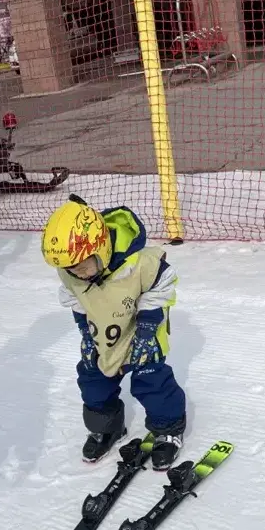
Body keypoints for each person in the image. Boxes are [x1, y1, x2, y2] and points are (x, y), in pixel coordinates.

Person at [41, 195, 187, 471]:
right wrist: (85, 332)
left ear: (101, 249)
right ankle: (106, 428)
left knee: (151, 382)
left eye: (83, 266)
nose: (78, 274)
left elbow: (164, 283)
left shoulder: (140, 263)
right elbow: (74, 298)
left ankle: (168, 428)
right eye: (70, 269)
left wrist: (147, 327)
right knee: (93, 381)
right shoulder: (72, 272)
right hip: (103, 338)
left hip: (142, 334)